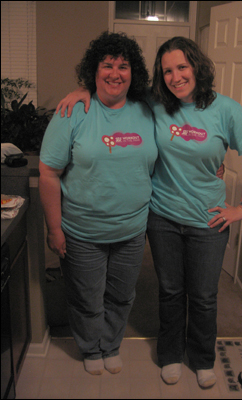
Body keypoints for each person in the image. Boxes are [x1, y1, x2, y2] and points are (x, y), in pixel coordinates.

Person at [55, 36, 242, 389]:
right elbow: (113, 87)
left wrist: (241, 207)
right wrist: (83, 91)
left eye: (182, 67)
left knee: (203, 295)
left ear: (197, 66)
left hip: (208, 219)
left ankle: (201, 358)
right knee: (170, 291)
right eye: (167, 70)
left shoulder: (226, 109)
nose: (175, 76)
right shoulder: (153, 103)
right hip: (163, 215)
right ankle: (170, 354)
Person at [39, 31, 158, 376]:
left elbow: (184, 116)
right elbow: (48, 173)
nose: (115, 73)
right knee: (87, 298)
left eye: (123, 66)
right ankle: (91, 349)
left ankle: (111, 345)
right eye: (107, 65)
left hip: (133, 230)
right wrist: (54, 228)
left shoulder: (148, 109)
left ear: (133, 72)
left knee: (122, 296)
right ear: (94, 70)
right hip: (82, 232)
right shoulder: (73, 111)